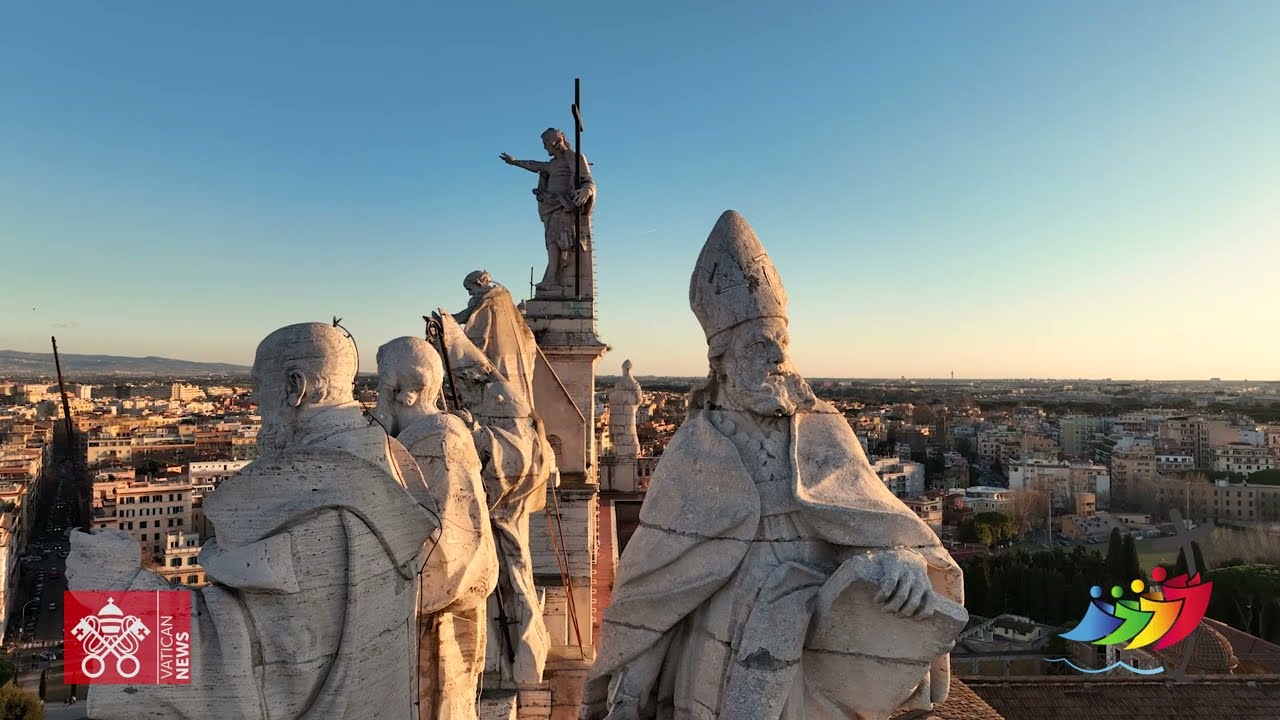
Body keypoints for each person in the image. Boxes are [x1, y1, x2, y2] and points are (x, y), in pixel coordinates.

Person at [583, 212, 966, 719]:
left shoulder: (824, 426)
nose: (778, 355)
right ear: (722, 360)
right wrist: (626, 699)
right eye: (759, 343)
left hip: (820, 638)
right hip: (719, 636)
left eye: (782, 340)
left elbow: (883, 522)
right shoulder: (696, 447)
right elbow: (654, 589)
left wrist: (903, 559)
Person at [68, 323, 437, 720]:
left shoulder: (322, 500)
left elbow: (261, 673)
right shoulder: (387, 460)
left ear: (296, 387)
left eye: (259, 385)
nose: (254, 398)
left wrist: (118, 590)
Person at [373, 336, 498, 719]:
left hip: (435, 627)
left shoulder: (436, 445)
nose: (375, 396)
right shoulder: (416, 440)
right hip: (426, 625)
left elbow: (449, 559)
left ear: (403, 391)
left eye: (379, 384)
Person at [500, 128, 594, 295]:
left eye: (545, 144)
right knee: (550, 241)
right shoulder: (552, 164)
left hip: (564, 204)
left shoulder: (575, 158)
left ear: (555, 142)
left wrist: (587, 191)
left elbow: (587, 180)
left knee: (556, 240)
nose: (544, 148)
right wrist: (515, 162)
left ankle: (553, 279)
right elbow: (536, 165)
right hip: (550, 204)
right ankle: (553, 277)